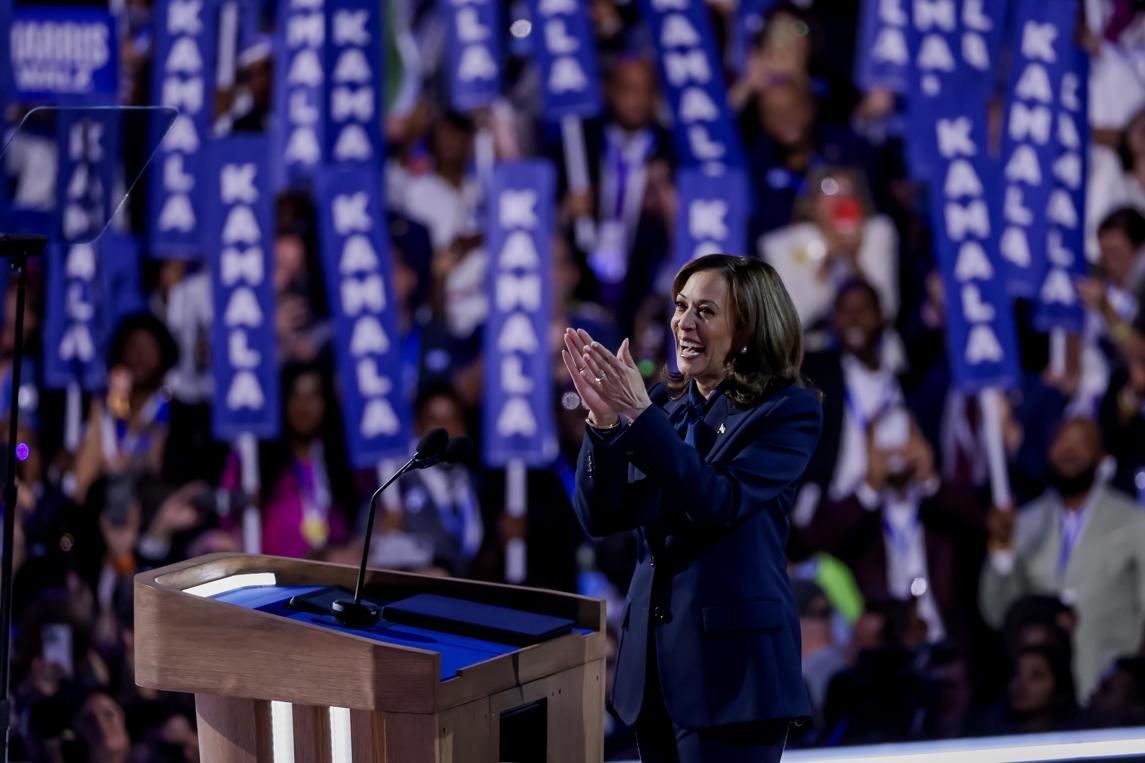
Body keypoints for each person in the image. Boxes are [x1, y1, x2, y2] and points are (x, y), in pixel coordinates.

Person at [563, 254, 822, 762]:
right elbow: (602, 516)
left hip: (733, 676)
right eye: (681, 306)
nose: (684, 322)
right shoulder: (663, 406)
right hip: (655, 673)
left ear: (747, 328)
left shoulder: (787, 410)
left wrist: (638, 417)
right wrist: (605, 422)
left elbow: (716, 501)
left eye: (706, 310)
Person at [980, 417, 1145, 700]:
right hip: (1044, 700)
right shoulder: (1023, 522)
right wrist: (1001, 547)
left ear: (1101, 457)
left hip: (1111, 694)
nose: (1070, 451)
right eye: (1062, 442)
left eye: (1082, 443)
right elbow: (997, 612)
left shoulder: (1133, 522)